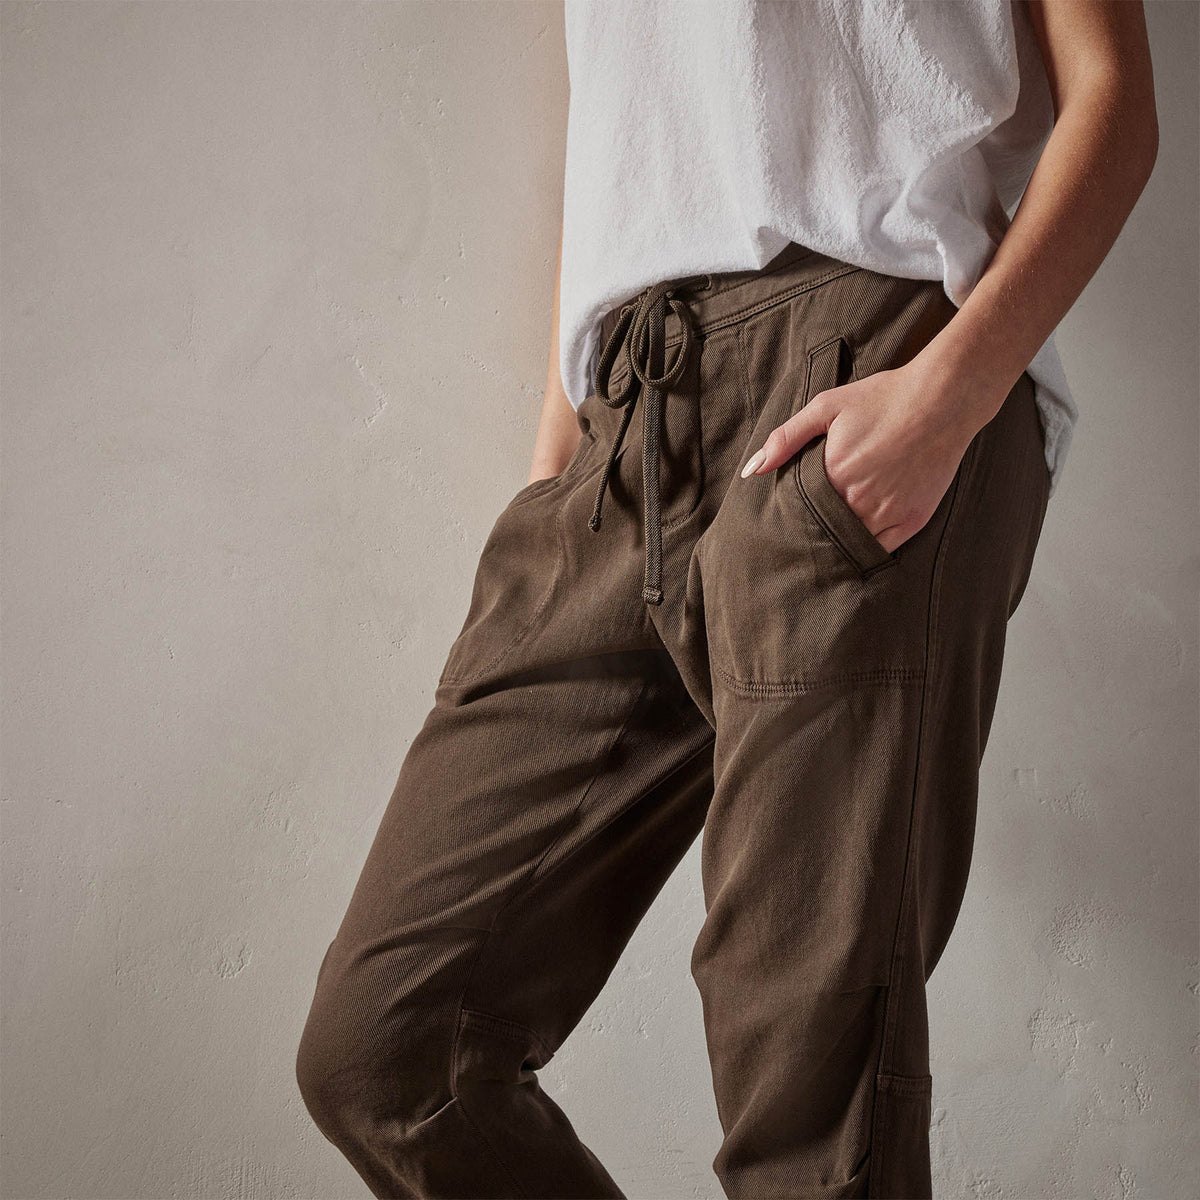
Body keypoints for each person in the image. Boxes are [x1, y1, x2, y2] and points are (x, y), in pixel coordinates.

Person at [295, 1, 1157, 1196]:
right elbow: (632, 134)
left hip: (870, 350)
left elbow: (1113, 100)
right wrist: (556, 471)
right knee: (388, 1056)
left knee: (805, 1086)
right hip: (623, 424)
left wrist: (949, 395)